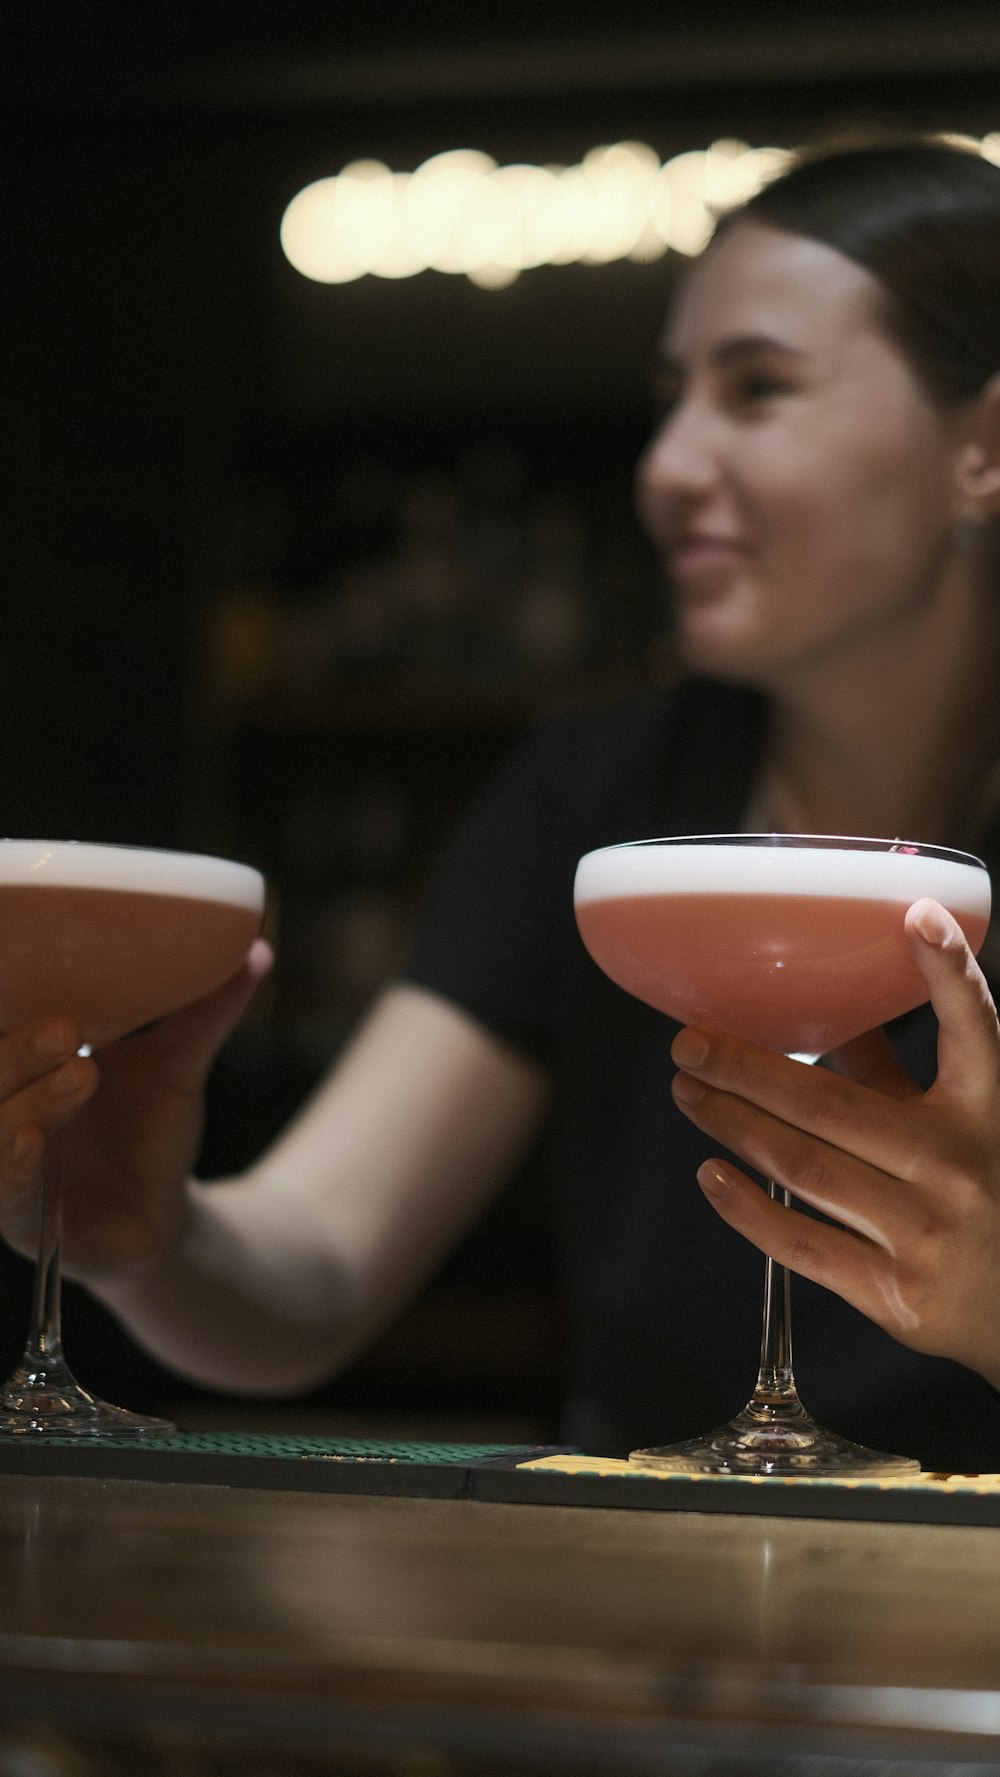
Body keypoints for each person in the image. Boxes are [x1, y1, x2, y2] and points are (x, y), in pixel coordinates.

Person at [4, 133, 1000, 1467]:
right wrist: (150, 1238)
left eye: (757, 389)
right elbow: (311, 1279)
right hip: (653, 1614)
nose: (667, 467)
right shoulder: (596, 799)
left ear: (983, 450)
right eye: (671, 398)